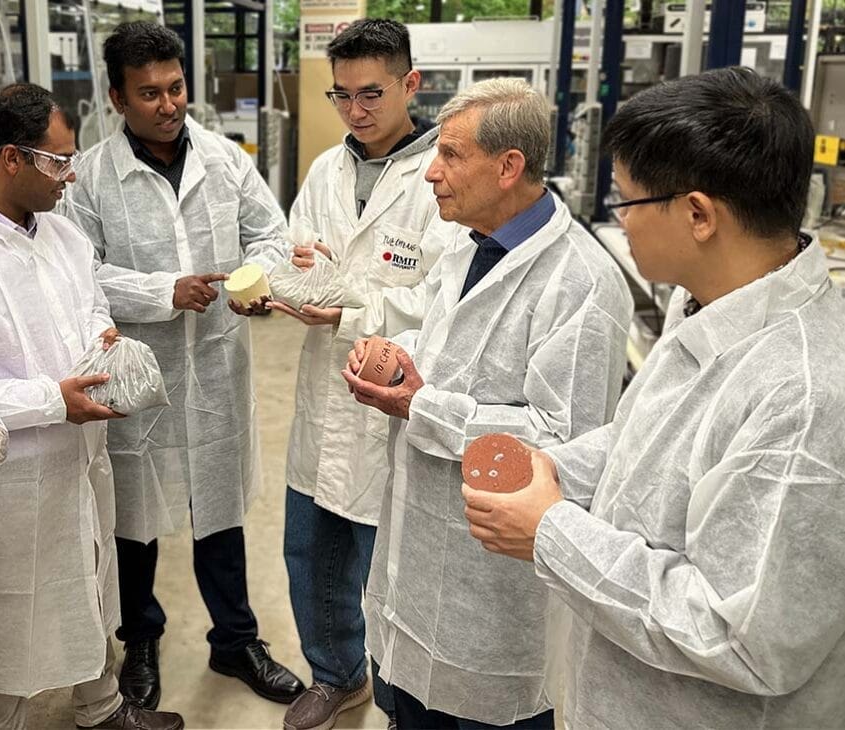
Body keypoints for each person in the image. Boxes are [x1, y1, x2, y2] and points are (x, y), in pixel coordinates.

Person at [462, 67, 845, 729]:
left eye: (627, 202)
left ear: (698, 214)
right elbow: (646, 437)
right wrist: (556, 468)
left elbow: (739, 637)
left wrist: (552, 531)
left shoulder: (804, 397)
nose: (621, 224)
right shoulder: (708, 303)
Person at [0, 84, 184, 730]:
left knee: (85, 586)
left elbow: (92, 307)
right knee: (3, 626)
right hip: (0, 492)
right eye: (57, 161)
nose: (69, 175)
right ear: (10, 159)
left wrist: (105, 342)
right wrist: (52, 401)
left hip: (76, 464)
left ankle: (102, 707)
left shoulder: (62, 235)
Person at [342, 78, 633, 729]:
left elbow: (564, 440)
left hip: (494, 598)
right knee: (409, 706)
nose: (432, 174)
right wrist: (395, 355)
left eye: (450, 156)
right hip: (416, 560)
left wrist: (423, 407)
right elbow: (447, 344)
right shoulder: (468, 241)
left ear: (508, 167)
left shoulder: (581, 283)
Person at [63, 20, 303, 712]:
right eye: (149, 94)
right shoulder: (91, 178)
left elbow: (270, 234)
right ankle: (139, 639)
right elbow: (78, 275)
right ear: (117, 98)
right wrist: (162, 291)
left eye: (175, 88)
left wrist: (257, 281)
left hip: (218, 365)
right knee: (134, 519)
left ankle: (235, 641)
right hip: (140, 372)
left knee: (218, 511)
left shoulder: (225, 160)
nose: (168, 104)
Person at [270, 19, 455, 730]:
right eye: (341, 95)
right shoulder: (326, 170)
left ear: (411, 84)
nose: (354, 110)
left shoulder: (440, 174)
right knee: (310, 552)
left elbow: (444, 299)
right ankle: (335, 674)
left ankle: (402, 700)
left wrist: (349, 311)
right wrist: (291, 280)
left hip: (390, 401)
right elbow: (298, 253)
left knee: (391, 570)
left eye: (371, 93)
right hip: (324, 396)